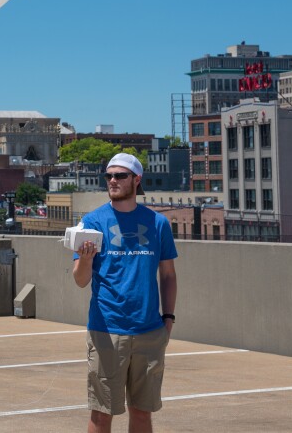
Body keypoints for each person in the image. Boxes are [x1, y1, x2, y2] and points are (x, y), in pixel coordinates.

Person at [72, 153, 178, 433]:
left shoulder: (158, 223)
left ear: (136, 180)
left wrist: (168, 319)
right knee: (102, 414)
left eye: (120, 175)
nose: (113, 181)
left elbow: (167, 275)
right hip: (107, 331)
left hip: (149, 332)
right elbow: (80, 280)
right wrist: (84, 258)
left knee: (142, 414)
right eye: (109, 176)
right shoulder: (93, 222)